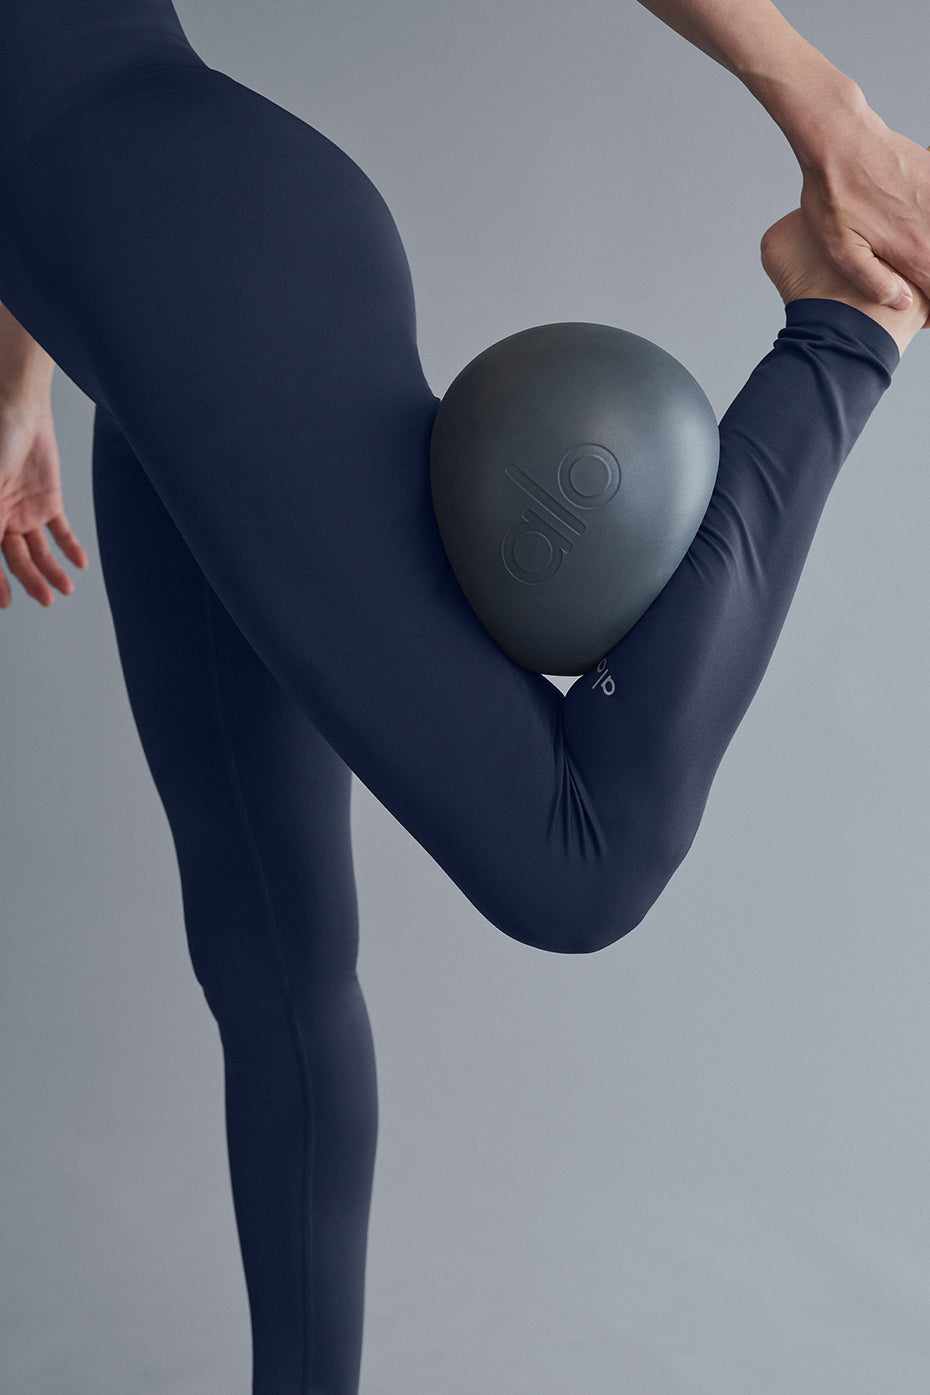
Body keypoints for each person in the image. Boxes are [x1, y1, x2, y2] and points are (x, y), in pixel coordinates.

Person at [0, 3, 926, 1393]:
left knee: (578, 862)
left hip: (190, 254)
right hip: (131, 285)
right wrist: (22, 367)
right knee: (266, 955)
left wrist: (826, 115)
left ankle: (846, 326)